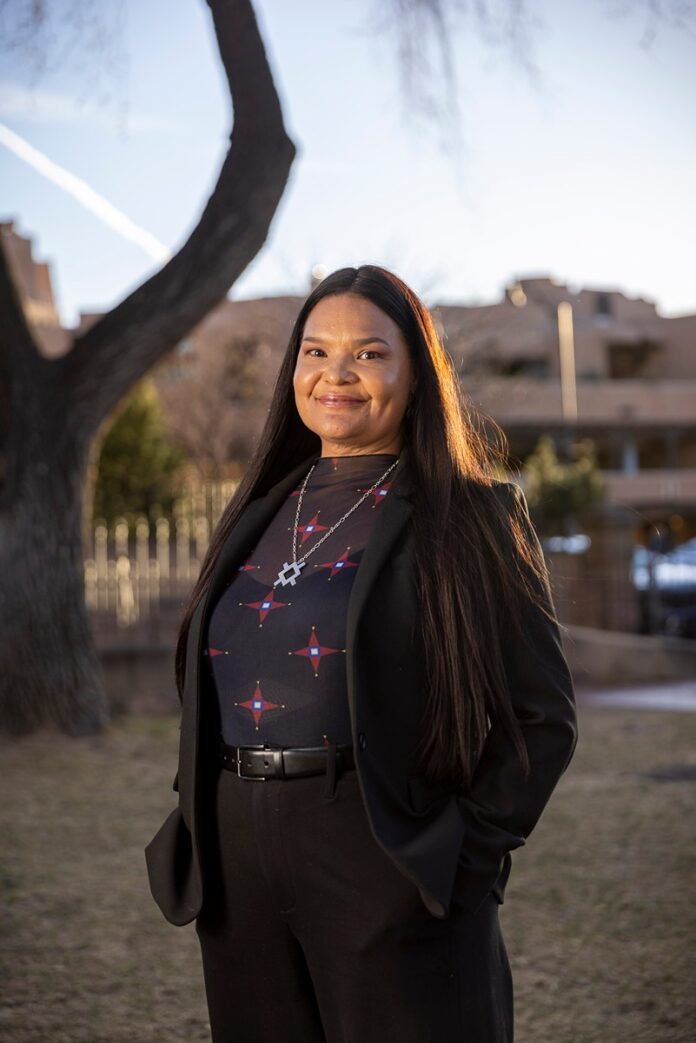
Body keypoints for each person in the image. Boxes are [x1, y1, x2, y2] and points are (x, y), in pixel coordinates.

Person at [145, 264, 578, 1042]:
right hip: (237, 851)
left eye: (370, 354)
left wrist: (459, 855)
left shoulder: (474, 516)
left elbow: (543, 718)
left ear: (417, 373)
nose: (336, 374)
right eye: (315, 351)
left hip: (378, 844)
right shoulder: (261, 506)